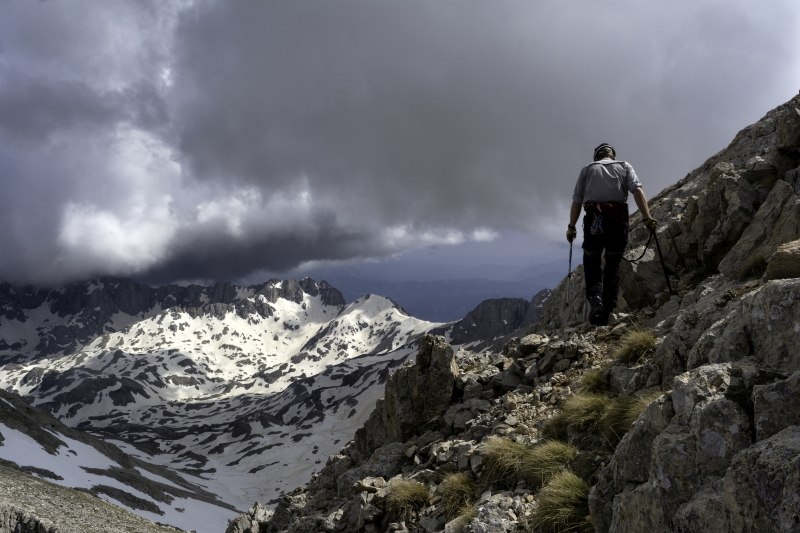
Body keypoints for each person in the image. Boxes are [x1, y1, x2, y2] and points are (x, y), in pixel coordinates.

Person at [566, 143, 657, 326]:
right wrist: (647, 218)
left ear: (597, 157)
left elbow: (577, 201)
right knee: (613, 263)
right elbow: (637, 190)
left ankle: (596, 301)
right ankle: (608, 308)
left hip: (594, 222)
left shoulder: (588, 169)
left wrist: (571, 226)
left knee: (592, 261)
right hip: (618, 221)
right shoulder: (624, 166)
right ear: (612, 155)